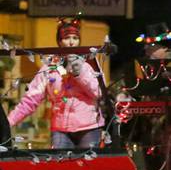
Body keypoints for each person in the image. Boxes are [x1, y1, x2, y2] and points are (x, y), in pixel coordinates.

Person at [8, 17, 104, 148]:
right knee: (59, 166)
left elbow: (98, 93)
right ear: (59, 41)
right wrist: (8, 122)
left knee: (87, 166)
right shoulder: (49, 67)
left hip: (89, 127)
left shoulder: (88, 63)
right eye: (66, 38)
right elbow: (30, 100)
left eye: (75, 38)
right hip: (60, 129)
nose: (71, 42)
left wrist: (79, 73)